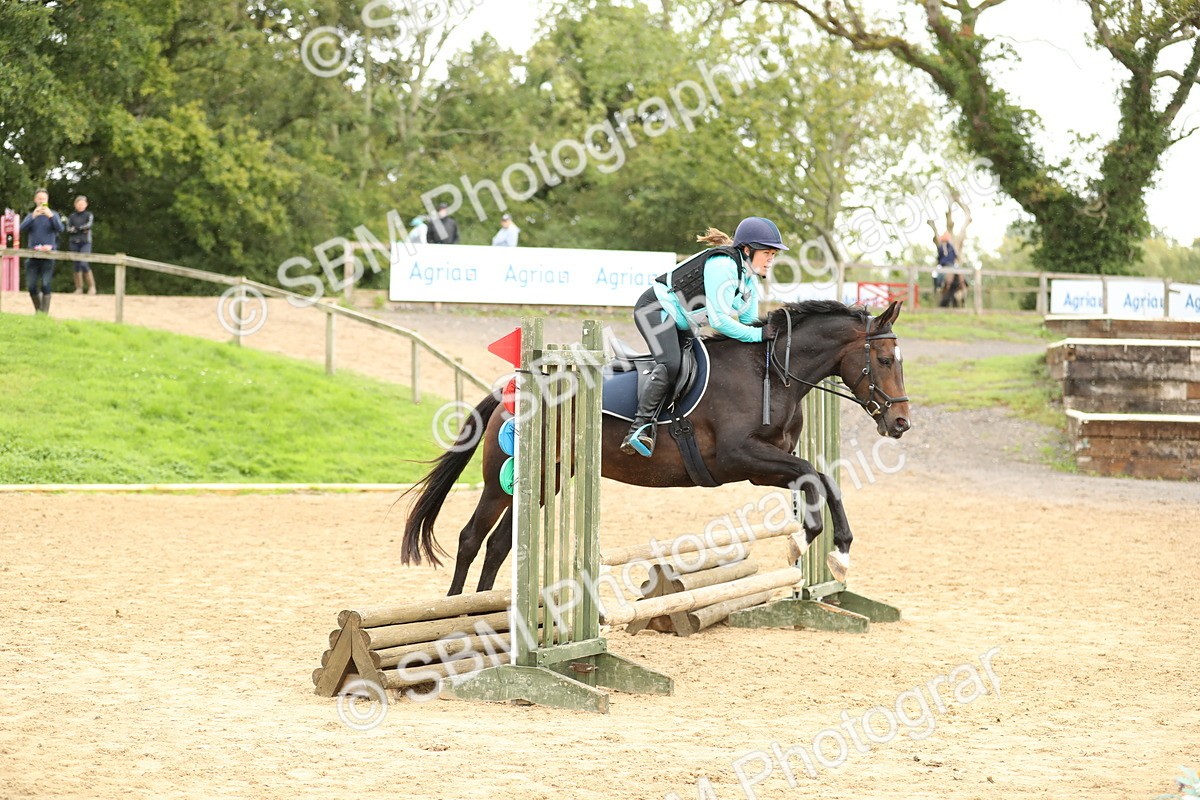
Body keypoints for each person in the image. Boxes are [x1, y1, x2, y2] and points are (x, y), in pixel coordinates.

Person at [620, 216, 787, 457]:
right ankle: (639, 428)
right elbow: (720, 321)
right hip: (655, 310)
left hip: (682, 321)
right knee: (672, 364)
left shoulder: (749, 279)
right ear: (748, 249)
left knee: (695, 367)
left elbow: (749, 323)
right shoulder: (723, 265)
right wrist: (759, 334)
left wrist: (768, 336)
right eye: (767, 252)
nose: (771, 259)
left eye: (774, 254)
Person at [19, 188, 64, 314]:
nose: (41, 201)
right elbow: (21, 229)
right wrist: (33, 216)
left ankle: (44, 313)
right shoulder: (31, 215)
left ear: (47, 200)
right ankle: (39, 311)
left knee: (46, 285)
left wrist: (50, 216)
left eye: (43, 199)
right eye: (39, 199)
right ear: (35, 200)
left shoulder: (54, 214)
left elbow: (60, 229)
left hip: (48, 255)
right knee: (32, 286)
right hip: (32, 255)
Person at [67, 195, 96, 294]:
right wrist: (79, 229)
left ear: (86, 205)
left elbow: (88, 226)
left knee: (84, 263)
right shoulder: (71, 216)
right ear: (75, 205)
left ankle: (92, 287)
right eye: (78, 204)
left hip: (85, 242)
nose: (80, 206)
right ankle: (79, 288)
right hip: (74, 242)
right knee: (76, 265)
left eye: (82, 204)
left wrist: (77, 229)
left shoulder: (89, 215)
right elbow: (68, 229)